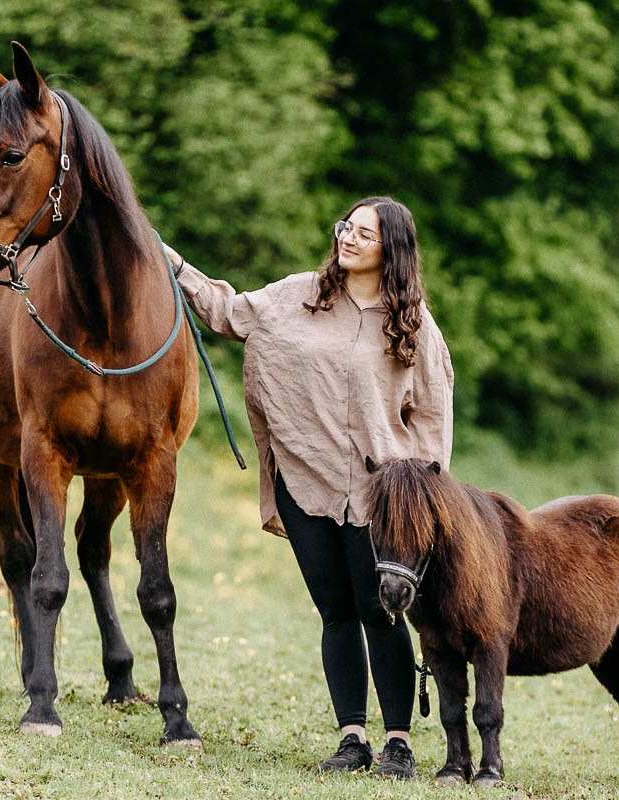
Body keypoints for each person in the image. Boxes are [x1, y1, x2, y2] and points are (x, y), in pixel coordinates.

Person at [164, 196, 454, 779]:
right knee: (335, 611)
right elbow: (228, 311)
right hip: (307, 482)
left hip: (383, 499)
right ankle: (353, 738)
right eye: (347, 227)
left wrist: (420, 498)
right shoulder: (298, 296)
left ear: (391, 249)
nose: (348, 238)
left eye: (364, 234)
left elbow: (432, 417)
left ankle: (398, 742)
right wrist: (169, 261)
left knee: (383, 612)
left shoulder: (414, 324)